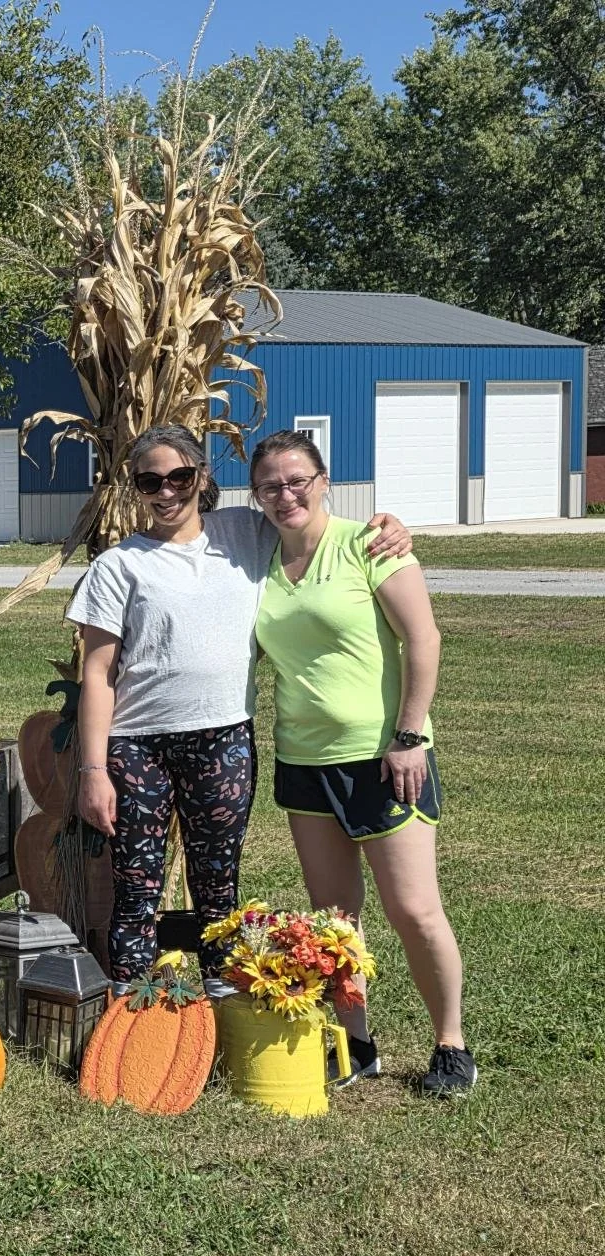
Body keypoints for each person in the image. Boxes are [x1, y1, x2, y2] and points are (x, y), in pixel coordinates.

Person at [68, 424, 410, 999]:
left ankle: (222, 1001)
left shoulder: (248, 532)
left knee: (218, 883)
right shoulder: (119, 565)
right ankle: (131, 1007)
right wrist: (93, 771)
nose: (166, 491)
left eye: (179, 476)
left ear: (202, 478)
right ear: (135, 487)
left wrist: (390, 524)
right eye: (150, 480)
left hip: (222, 739)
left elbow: (310, 520)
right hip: (137, 747)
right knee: (136, 883)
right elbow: (98, 675)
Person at [250, 429, 473, 1096]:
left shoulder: (369, 544)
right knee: (334, 917)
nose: (286, 493)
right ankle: (356, 1044)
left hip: (383, 758)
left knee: (414, 909)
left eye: (298, 480)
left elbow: (424, 638)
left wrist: (408, 737)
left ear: (324, 480)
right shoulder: (258, 558)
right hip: (303, 761)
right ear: (255, 494)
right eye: (270, 484)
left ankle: (452, 1046)